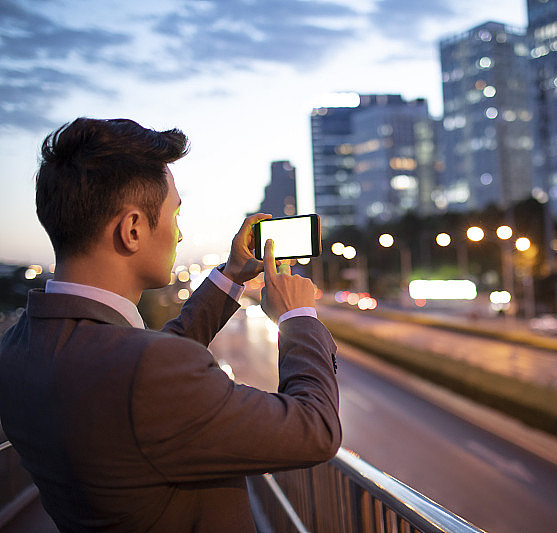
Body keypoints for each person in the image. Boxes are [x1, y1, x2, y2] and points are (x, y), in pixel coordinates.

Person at [0, 117, 341, 532]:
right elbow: (315, 430)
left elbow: (146, 369)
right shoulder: (145, 373)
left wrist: (231, 275)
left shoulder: (19, 347)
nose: (179, 235)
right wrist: (297, 317)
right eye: (174, 214)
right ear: (132, 229)